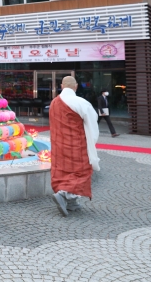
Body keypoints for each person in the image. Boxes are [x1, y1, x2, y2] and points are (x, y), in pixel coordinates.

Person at [49, 76, 100, 216]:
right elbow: (92, 122)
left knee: (62, 171)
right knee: (81, 171)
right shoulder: (80, 102)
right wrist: (92, 141)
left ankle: (72, 202)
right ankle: (64, 194)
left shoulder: (54, 102)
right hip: (76, 145)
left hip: (58, 144)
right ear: (76, 87)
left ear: (61, 86)